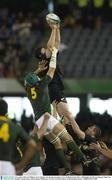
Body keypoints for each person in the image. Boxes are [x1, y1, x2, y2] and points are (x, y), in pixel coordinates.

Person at [24, 25, 85, 174]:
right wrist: (54, 28)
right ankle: (82, 154)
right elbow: (52, 48)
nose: (46, 49)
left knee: (57, 141)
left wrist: (56, 29)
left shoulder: (29, 86)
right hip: (52, 94)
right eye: (43, 50)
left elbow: (53, 46)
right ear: (41, 56)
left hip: (39, 118)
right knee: (66, 130)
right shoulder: (42, 80)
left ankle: (68, 168)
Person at [0, 98, 36, 175]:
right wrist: (21, 165)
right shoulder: (15, 127)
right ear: (6, 112)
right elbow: (32, 144)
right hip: (7, 169)